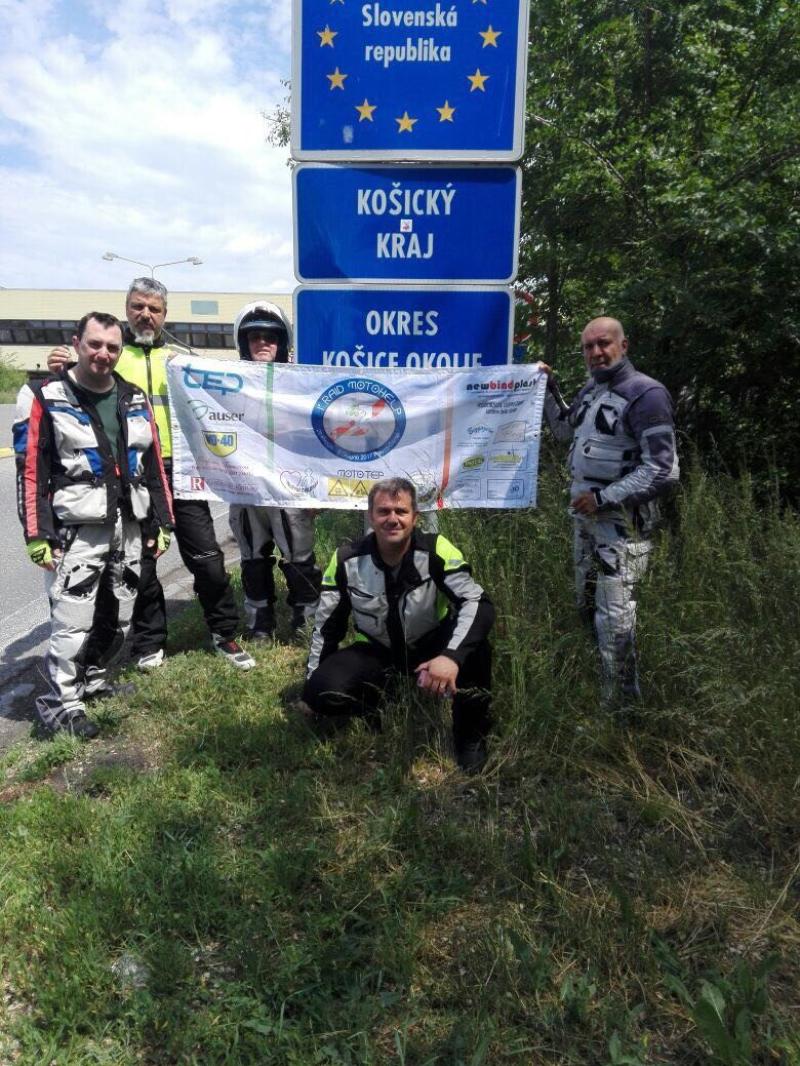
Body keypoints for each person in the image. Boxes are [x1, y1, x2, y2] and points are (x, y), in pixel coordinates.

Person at [47, 278, 254, 670]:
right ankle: (148, 644)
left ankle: (223, 633)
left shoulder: (179, 360)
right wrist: (61, 366)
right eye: (138, 306)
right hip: (134, 477)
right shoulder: (110, 355)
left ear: (164, 316)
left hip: (182, 472)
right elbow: (70, 390)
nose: (145, 314)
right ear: (127, 309)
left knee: (209, 560)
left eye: (154, 309)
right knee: (142, 567)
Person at [14, 312, 174, 738]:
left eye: (112, 347)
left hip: (129, 526)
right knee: (71, 620)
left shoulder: (133, 396)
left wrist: (163, 522)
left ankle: (94, 680)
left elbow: (154, 467)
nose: (103, 354)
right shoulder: (43, 395)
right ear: (77, 343)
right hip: (76, 531)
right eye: (95, 345)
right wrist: (36, 533)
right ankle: (58, 703)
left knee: (115, 612)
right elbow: (31, 470)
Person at [302, 478, 494, 772]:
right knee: (319, 692)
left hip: (431, 644)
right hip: (377, 650)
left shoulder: (436, 550)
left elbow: (477, 603)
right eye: (384, 511)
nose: (392, 519)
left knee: (477, 648)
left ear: (415, 517)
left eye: (401, 511)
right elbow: (327, 627)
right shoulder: (346, 559)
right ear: (370, 517)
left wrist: (451, 656)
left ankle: (470, 737)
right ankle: (378, 701)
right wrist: (312, 686)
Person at [543, 316, 679, 705]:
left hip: (623, 529)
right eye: (589, 347)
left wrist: (604, 499)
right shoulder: (593, 389)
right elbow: (565, 430)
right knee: (587, 608)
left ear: (624, 345)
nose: (596, 353)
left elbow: (663, 470)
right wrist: (545, 386)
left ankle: (623, 713)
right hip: (586, 524)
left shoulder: (646, 394)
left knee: (615, 618)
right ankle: (601, 694)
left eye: (604, 344)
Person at [227, 301, 321, 639]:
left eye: (271, 336)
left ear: (283, 343)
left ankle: (306, 621)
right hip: (246, 488)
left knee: (299, 556)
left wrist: (318, 491)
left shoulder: (300, 384)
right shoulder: (226, 383)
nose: (263, 342)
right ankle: (260, 623)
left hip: (289, 487)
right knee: (253, 556)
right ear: (243, 342)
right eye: (254, 336)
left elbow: (315, 436)